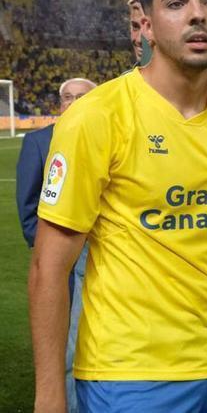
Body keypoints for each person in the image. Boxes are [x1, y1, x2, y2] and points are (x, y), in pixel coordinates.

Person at [29, 0, 207, 413]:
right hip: (127, 376)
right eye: (176, 3)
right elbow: (48, 268)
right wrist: (50, 393)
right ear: (147, 25)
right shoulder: (100, 115)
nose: (198, 15)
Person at [17, 77, 96, 413]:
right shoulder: (39, 142)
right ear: (59, 103)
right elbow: (29, 212)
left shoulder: (112, 138)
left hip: (116, 262)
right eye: (68, 97)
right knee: (68, 348)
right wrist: (62, 251)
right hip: (68, 263)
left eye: (82, 97)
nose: (74, 102)